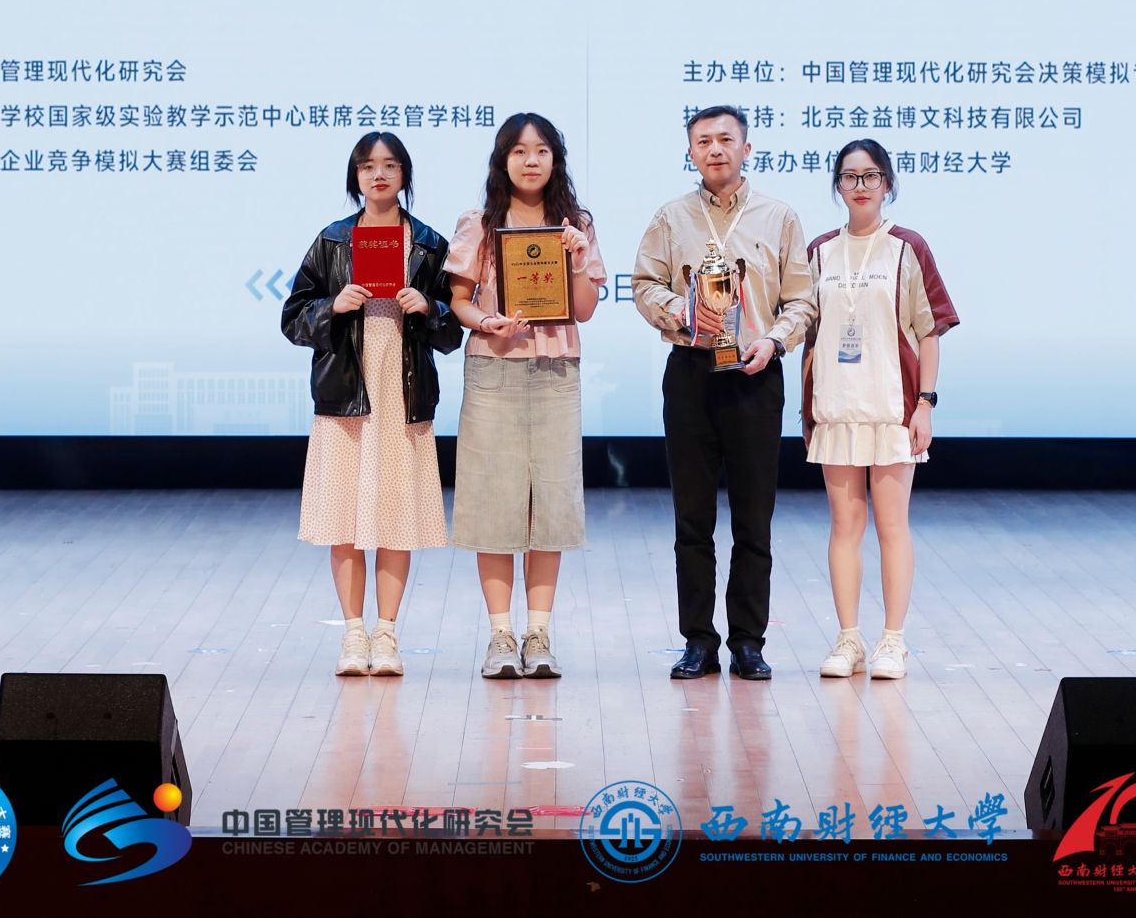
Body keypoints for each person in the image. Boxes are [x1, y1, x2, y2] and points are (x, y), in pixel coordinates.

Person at [632, 105, 815, 680]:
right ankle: (698, 640)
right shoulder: (671, 217)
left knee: (754, 519)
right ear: (690, 152)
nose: (715, 149)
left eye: (726, 139)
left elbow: (802, 300)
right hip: (691, 373)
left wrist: (776, 341)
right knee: (692, 519)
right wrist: (681, 313)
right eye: (703, 141)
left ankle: (749, 642)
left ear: (746, 148)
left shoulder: (779, 217)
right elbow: (644, 284)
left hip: (755, 375)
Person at [282, 131, 463, 677]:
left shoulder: (428, 244)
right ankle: (353, 634)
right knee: (344, 517)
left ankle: (387, 634)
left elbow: (453, 331)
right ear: (355, 177)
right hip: (346, 393)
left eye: (389, 165)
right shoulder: (333, 240)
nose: (378, 174)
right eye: (367, 166)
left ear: (404, 174)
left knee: (396, 517)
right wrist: (332, 306)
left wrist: (428, 307)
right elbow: (293, 319)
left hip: (402, 393)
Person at [444, 113, 606, 679]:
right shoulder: (480, 223)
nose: (531, 160)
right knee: (494, 501)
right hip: (493, 370)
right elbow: (459, 301)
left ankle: (538, 634)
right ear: (503, 160)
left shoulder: (575, 225)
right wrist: (487, 321)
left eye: (541, 150)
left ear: (556, 159)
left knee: (550, 503)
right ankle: (500, 636)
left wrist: (578, 258)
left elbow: (583, 309)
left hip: (557, 371)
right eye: (519, 150)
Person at [801, 138, 958, 681]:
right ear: (837, 186)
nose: (860, 186)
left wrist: (925, 404)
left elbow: (929, 331)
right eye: (849, 177)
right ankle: (849, 639)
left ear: (887, 183)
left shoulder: (907, 247)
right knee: (844, 526)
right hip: (836, 407)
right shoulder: (820, 250)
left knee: (892, 525)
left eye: (870, 176)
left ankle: (893, 640)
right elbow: (806, 330)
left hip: (892, 406)